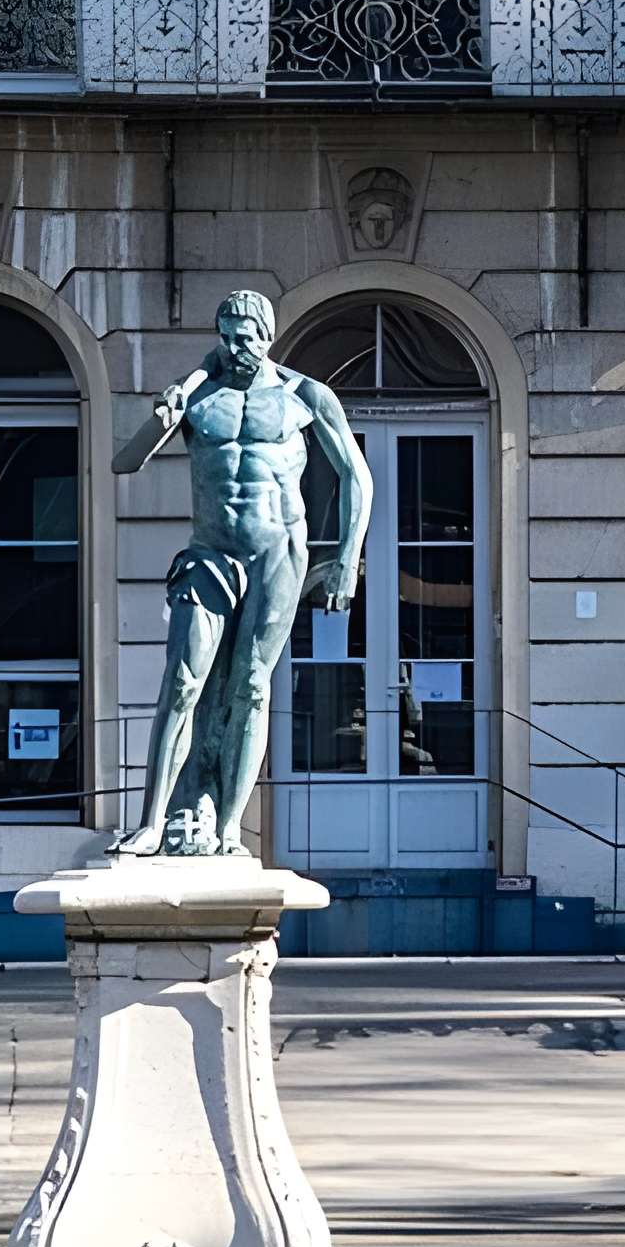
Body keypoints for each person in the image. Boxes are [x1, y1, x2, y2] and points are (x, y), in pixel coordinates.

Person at [112, 290, 373, 857]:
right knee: (182, 683)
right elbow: (124, 463)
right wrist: (168, 409)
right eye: (226, 337)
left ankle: (230, 828)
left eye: (247, 338)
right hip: (209, 553)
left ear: (269, 335)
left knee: (253, 688)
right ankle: (152, 822)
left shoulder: (305, 396)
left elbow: (357, 476)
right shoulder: (198, 395)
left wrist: (348, 561)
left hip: (278, 554)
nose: (235, 349)